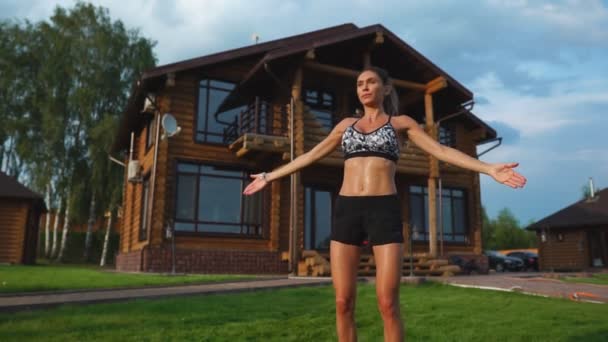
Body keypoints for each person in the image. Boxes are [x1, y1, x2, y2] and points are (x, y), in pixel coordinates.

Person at [243, 66, 526, 342]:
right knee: (343, 302)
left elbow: (440, 150)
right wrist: (269, 176)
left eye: (371, 82)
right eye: (360, 84)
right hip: (347, 211)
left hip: (384, 210)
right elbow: (309, 156)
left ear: (386, 88)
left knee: (387, 304)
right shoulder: (345, 126)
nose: (364, 87)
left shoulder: (401, 124)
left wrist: (488, 168)